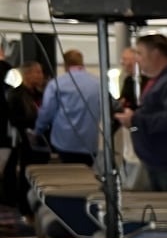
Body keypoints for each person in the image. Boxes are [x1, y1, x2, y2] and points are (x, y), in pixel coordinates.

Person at [114, 34, 167, 194]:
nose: (137, 59)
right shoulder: (162, 81)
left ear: (155, 54)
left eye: (139, 53)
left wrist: (135, 119)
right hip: (158, 162)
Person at [34, 49, 102, 165]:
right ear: (82, 62)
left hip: (64, 142)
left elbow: (47, 112)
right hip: (90, 142)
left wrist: (38, 130)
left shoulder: (56, 84)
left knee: (68, 176)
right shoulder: (98, 83)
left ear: (65, 64)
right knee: (87, 177)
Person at [4, 61, 48, 213]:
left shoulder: (42, 95)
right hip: (25, 143)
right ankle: (26, 208)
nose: (41, 76)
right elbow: (14, 119)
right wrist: (36, 123)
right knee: (26, 177)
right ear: (27, 74)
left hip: (43, 143)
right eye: (37, 72)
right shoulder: (15, 95)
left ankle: (40, 206)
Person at [118, 47, 139, 111]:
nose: (122, 62)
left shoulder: (145, 79)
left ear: (133, 60)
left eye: (124, 59)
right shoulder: (128, 80)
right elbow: (123, 100)